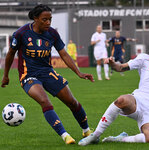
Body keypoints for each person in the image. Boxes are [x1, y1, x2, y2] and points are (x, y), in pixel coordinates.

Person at [1, 4, 94, 145]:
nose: (48, 23)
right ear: (35, 18)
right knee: (45, 101)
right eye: (45, 19)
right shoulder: (21, 33)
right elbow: (10, 54)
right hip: (28, 75)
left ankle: (87, 131)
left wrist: (78, 72)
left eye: (50, 19)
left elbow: (63, 54)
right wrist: (6, 75)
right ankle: (65, 135)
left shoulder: (52, 33)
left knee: (72, 102)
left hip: (47, 72)